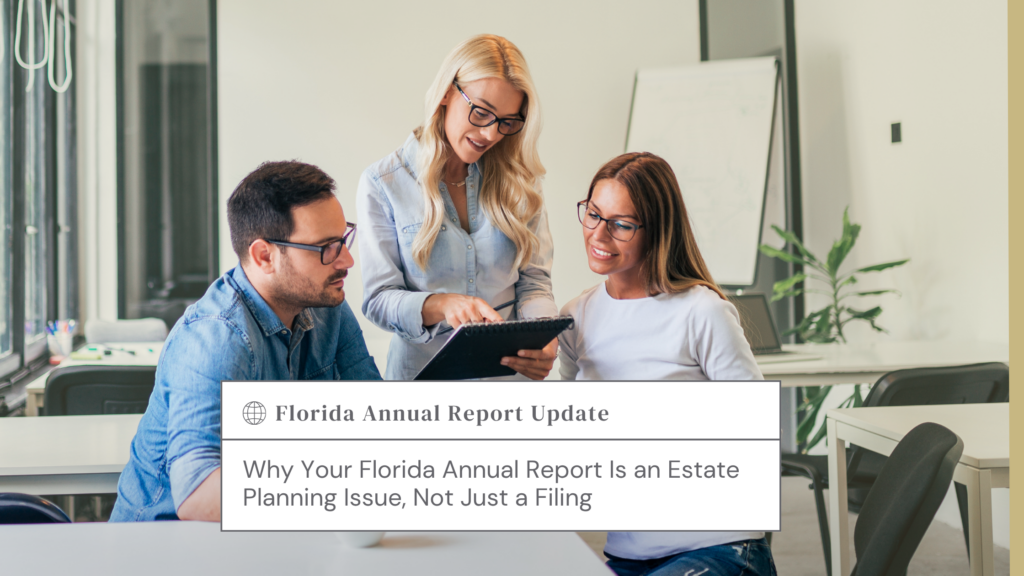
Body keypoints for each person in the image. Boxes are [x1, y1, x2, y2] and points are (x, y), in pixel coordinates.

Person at [110, 161, 382, 522]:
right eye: (326, 248)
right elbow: (197, 493)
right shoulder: (216, 337)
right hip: (163, 547)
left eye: (343, 239)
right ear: (264, 256)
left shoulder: (326, 305)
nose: (346, 260)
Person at [558, 152, 777, 576]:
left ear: (655, 231)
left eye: (621, 224)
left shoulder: (701, 311)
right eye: (593, 214)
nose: (599, 234)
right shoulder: (576, 317)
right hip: (630, 554)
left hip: (719, 546)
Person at [358, 34, 558, 381]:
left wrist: (543, 335)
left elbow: (534, 282)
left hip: (507, 387)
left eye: (507, 122)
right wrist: (442, 304)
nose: (491, 134)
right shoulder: (383, 183)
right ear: (448, 92)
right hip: (422, 391)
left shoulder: (520, 182)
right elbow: (378, 300)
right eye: (481, 112)